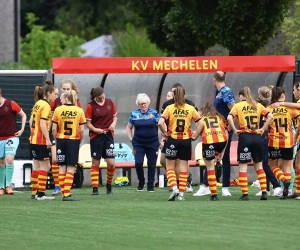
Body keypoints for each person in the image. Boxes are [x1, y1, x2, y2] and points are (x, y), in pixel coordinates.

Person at [227, 87, 273, 201]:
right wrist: (263, 128)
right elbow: (270, 116)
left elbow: (229, 117)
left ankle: (245, 194)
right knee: (259, 165)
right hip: (257, 137)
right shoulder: (257, 105)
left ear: (241, 96)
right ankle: (264, 192)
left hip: (245, 137)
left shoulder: (237, 106)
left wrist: (234, 129)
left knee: (243, 166)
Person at [195, 71, 235, 197]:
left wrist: (229, 125)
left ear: (214, 80)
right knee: (211, 157)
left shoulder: (226, 91)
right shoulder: (220, 93)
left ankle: (225, 187)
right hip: (217, 130)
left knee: (225, 157)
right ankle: (207, 185)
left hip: (224, 130)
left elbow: (234, 109)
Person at [159, 86, 201, 201]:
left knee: (170, 167)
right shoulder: (190, 108)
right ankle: (181, 194)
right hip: (186, 140)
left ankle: (174, 188)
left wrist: (164, 134)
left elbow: (160, 123)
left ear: (174, 96)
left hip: (173, 139)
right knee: (183, 168)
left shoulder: (169, 108)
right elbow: (201, 123)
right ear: (184, 95)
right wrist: (196, 135)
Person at [52, 90, 86, 201]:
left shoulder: (58, 110)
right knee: (71, 167)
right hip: (73, 140)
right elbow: (81, 130)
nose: (60, 100)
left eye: (61, 98)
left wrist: (56, 139)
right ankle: (66, 194)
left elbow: (53, 128)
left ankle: (64, 192)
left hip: (61, 140)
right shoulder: (79, 110)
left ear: (66, 99)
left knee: (61, 167)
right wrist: (80, 140)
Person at [267, 86, 300, 199]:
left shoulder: (270, 108)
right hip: (288, 140)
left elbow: (265, 125)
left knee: (273, 166)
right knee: (288, 166)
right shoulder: (290, 109)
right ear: (282, 95)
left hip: (274, 140)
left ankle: (283, 182)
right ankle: (289, 190)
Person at [192, 102, 228, 201]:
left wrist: (191, 136)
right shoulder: (220, 117)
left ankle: (214, 194)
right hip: (221, 142)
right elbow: (226, 133)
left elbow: (198, 134)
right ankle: (207, 187)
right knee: (214, 163)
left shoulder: (201, 118)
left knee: (210, 168)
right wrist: (222, 151)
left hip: (209, 143)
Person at [85, 87, 117, 195]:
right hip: (96, 136)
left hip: (108, 135)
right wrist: (95, 129)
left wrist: (113, 124)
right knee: (95, 161)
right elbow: (88, 123)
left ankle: (109, 184)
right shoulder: (90, 106)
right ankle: (95, 188)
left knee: (111, 163)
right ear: (95, 97)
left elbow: (115, 117)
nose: (102, 99)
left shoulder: (110, 102)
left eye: (103, 96)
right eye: (99, 98)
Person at [29, 81, 57, 200]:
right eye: (55, 94)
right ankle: (41, 194)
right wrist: (47, 139)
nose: (56, 96)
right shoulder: (46, 106)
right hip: (40, 140)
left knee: (36, 166)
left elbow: (31, 122)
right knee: (45, 167)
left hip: (33, 139)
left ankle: (34, 193)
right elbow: (42, 124)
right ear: (49, 93)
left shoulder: (38, 103)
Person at [126, 93, 160, 192]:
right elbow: (129, 127)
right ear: (138, 104)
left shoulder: (154, 113)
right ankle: (141, 182)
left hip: (152, 142)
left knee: (152, 164)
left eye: (144, 103)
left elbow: (161, 125)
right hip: (138, 143)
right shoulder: (134, 114)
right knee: (138, 162)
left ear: (148, 103)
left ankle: (150, 185)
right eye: (141, 104)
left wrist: (163, 138)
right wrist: (130, 138)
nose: (143, 105)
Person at [255, 86, 281, 197]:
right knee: (263, 164)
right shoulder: (271, 106)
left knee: (264, 164)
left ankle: (276, 186)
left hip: (262, 137)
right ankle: (265, 188)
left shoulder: (260, 106)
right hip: (268, 137)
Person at [0, 89, 27, 195]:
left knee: (9, 159)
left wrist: (22, 129)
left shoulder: (10, 104)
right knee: (1, 163)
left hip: (11, 137)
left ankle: (8, 186)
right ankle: (1, 187)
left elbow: (23, 115)